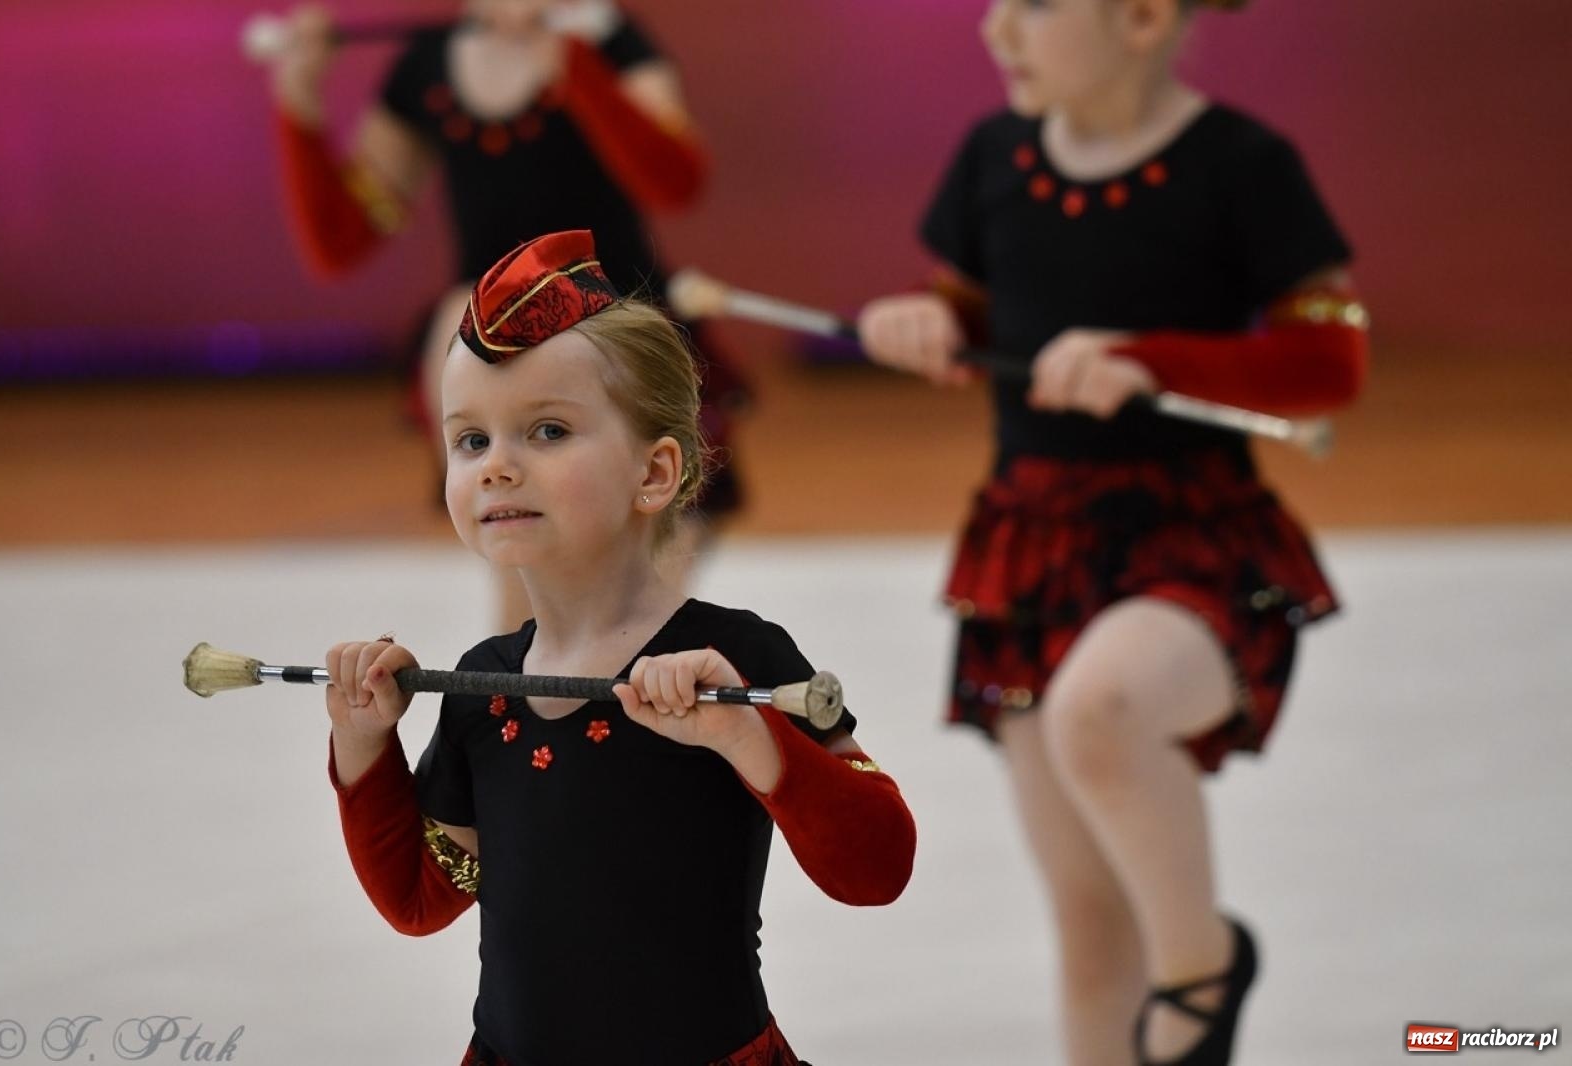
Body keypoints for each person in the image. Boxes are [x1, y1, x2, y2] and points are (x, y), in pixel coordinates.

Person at [855, 1, 1369, 1063]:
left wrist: (1154, 359)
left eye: (1033, 5)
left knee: (1103, 709)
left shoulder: (1241, 163)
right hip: (1031, 545)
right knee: (1089, 930)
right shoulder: (991, 155)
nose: (996, 30)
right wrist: (927, 322)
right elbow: (970, 308)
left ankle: (1201, 968)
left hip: (1192, 541)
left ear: (1139, 16)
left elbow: (1332, 363)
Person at [321, 231, 916, 1064]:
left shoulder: (738, 656)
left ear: (656, 472)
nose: (496, 467)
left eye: (549, 431)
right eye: (471, 440)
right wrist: (363, 746)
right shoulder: (482, 686)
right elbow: (423, 899)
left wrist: (750, 740)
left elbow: (877, 868)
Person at [260, 0, 747, 629]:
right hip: (492, 349)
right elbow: (342, 241)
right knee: (528, 571)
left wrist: (572, 57)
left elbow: (676, 183)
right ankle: (529, 703)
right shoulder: (427, 67)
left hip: (619, 334)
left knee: (651, 579)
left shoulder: (606, 37)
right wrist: (300, 104)